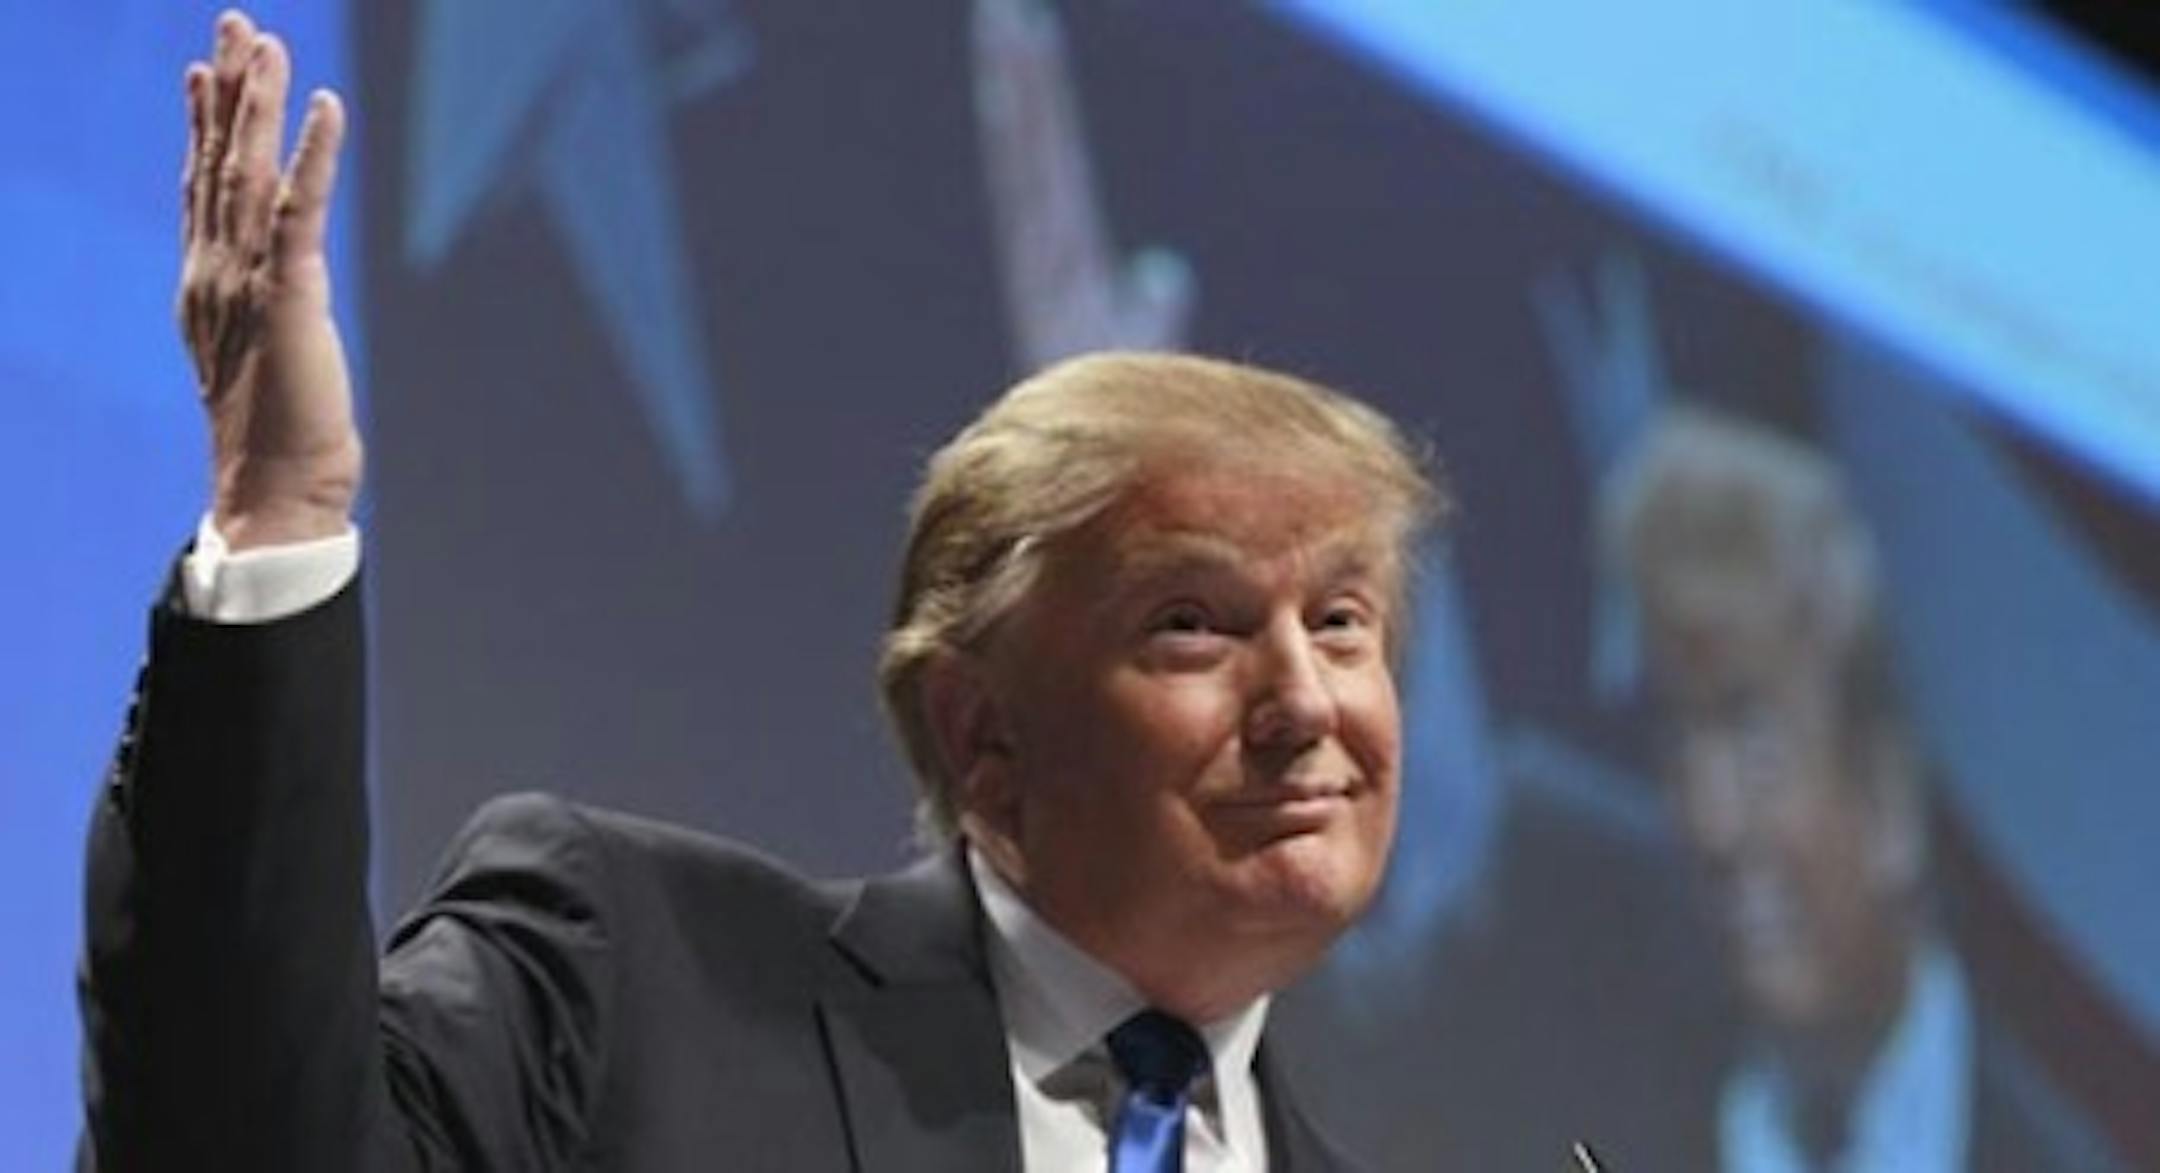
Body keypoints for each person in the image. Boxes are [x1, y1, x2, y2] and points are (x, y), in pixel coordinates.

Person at [78, 11, 1440, 1171]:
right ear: (983, 733)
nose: (1304, 701)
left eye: (1341, 621)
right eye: (1193, 623)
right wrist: (281, 516)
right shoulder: (640, 985)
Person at [1600, 405, 2123, 1173]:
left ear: (1887, 797)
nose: (1711, 823)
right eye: (1680, 747)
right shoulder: (1604, 1100)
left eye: (1756, 746)